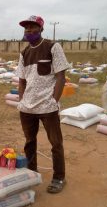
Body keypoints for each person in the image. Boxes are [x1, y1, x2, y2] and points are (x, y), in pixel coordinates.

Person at [16, 16, 69, 193]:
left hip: (48, 107)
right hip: (27, 108)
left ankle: (59, 177)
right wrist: (22, 100)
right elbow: (22, 80)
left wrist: (54, 100)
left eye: (32, 27)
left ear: (41, 29)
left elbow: (61, 76)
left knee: (55, 143)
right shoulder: (24, 53)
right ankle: (31, 172)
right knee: (29, 141)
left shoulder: (53, 47)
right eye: (26, 28)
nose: (29, 31)